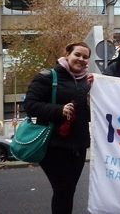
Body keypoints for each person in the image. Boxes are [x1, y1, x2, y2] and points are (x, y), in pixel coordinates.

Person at [24, 42, 92, 214]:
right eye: (77, 54)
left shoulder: (88, 82)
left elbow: (90, 116)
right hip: (53, 145)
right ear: (67, 54)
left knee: (68, 191)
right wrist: (59, 110)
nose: (81, 59)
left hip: (78, 147)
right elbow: (31, 105)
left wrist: (92, 104)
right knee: (63, 190)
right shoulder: (47, 77)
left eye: (85, 57)